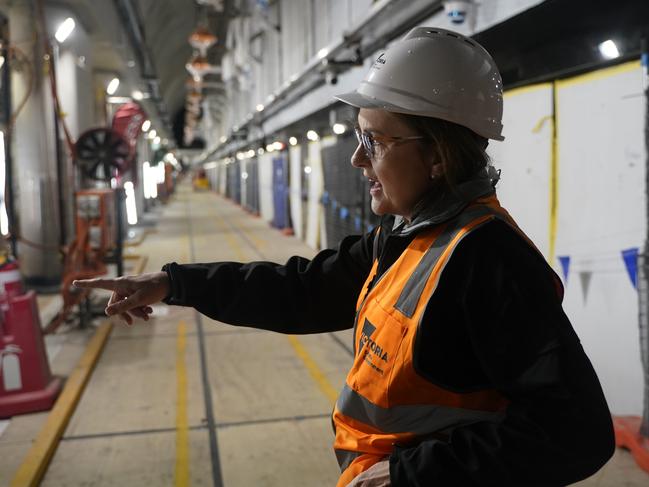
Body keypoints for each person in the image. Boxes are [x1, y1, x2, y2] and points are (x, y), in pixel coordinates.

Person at [75, 27, 615, 486]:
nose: (357, 159)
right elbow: (304, 289)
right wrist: (172, 284)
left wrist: (410, 474)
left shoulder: (488, 260)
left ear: (436, 156)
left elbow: (575, 431)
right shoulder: (406, 236)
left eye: (375, 142)